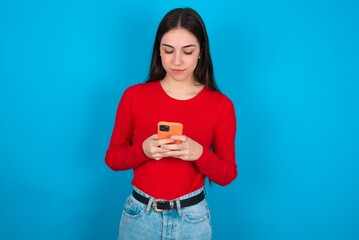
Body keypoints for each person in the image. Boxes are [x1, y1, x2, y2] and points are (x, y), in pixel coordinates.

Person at [105, 7, 237, 240]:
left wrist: (199, 153)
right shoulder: (134, 97)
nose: (177, 61)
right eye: (168, 51)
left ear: (201, 52)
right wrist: (142, 150)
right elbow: (113, 159)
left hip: (192, 221)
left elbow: (227, 175)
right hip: (139, 218)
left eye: (187, 51)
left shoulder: (221, 105)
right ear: (158, 51)